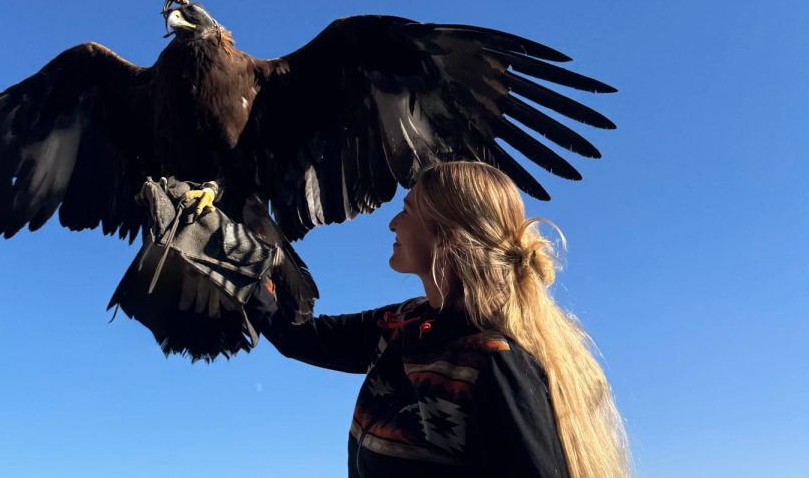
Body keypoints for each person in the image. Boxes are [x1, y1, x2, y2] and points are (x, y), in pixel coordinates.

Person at [246, 161, 631, 478]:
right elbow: (300, 336)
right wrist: (237, 257)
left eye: (408, 209)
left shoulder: (491, 362)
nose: (393, 222)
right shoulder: (401, 325)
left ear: (447, 234)